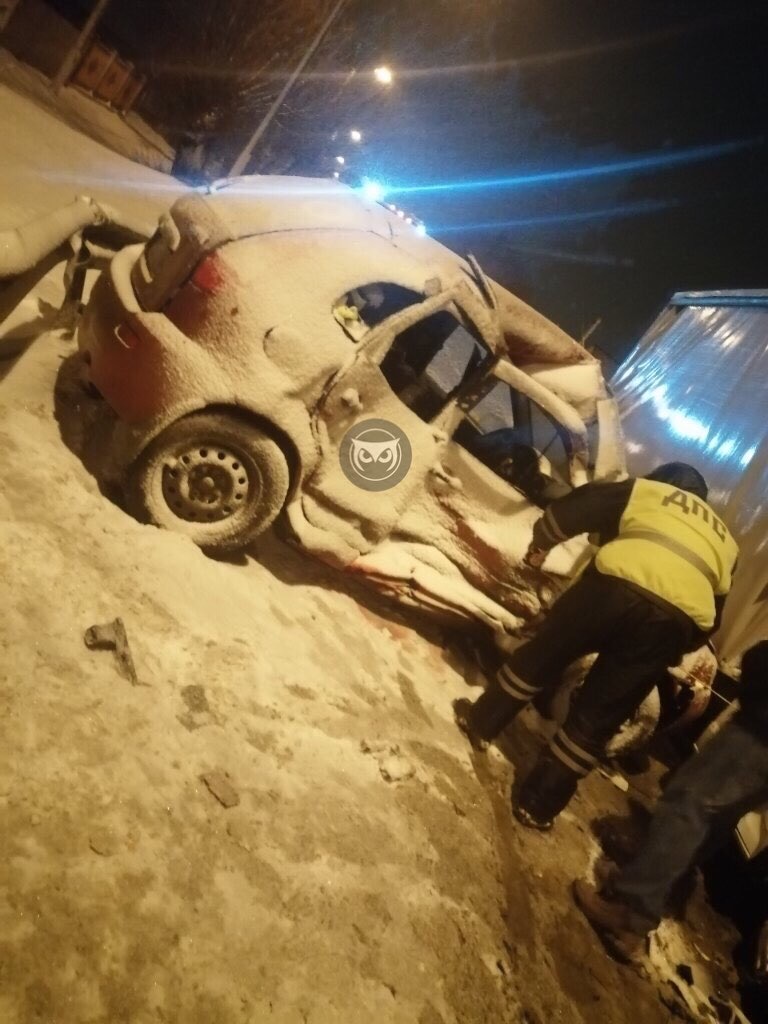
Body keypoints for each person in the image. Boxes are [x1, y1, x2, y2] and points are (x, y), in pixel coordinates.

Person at [453, 462, 739, 831]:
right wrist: (675, 644)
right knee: (599, 717)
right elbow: (712, 617)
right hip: (672, 623)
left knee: (538, 661)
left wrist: (541, 543)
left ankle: (480, 723)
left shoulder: (651, 492)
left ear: (664, 482)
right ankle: (538, 806)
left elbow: (580, 507)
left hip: (612, 589)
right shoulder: (726, 542)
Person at [573, 639, 768, 963]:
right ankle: (642, 886)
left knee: (688, 808)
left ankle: (630, 913)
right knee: (712, 818)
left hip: (760, 732)